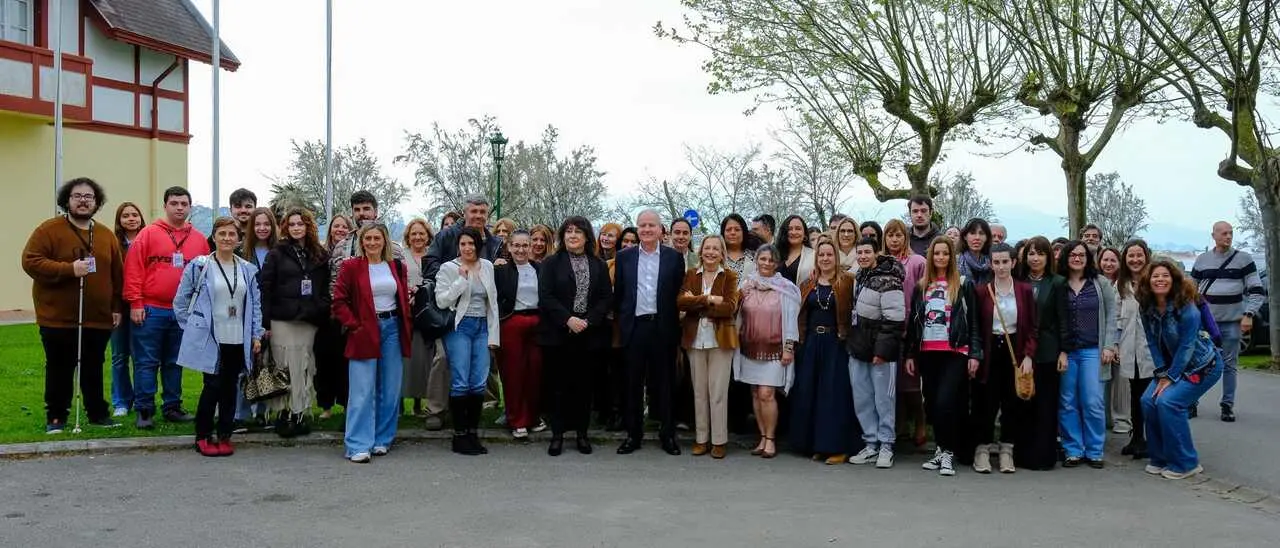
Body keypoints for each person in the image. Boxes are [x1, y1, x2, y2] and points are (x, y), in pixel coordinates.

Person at [22, 178, 125, 433]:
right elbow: (31, 261)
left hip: (97, 317)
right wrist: (69, 269)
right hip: (58, 317)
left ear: (96, 202)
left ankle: (97, 413)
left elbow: (116, 274)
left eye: (88, 197)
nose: (83, 200)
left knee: (93, 366)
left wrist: (115, 307)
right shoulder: (49, 230)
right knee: (59, 367)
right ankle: (56, 416)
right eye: (77, 196)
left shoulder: (105, 235)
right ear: (67, 200)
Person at [173, 217, 264, 456]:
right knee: (212, 386)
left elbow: (255, 306)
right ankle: (203, 434)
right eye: (221, 233)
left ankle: (225, 434)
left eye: (231, 234)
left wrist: (256, 335)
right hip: (212, 337)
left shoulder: (247, 269)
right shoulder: (200, 266)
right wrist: (192, 328)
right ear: (213, 237)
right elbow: (180, 300)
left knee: (230, 387)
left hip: (237, 337)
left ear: (238, 239)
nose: (226, 238)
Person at [123, 186, 207, 428]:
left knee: (174, 361)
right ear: (165, 206)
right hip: (151, 309)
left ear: (190, 207)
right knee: (146, 362)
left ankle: (172, 406)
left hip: (182, 313)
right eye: (174, 203)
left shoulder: (199, 240)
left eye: (184, 203)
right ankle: (144, 410)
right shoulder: (148, 234)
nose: (179, 207)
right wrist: (136, 303)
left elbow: (204, 278)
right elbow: (134, 270)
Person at [331, 223, 413, 463]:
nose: (372, 242)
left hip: (392, 329)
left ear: (385, 241)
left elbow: (402, 299)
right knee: (362, 390)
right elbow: (339, 301)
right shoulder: (351, 266)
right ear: (361, 241)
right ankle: (357, 444)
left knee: (390, 389)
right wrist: (354, 324)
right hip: (364, 330)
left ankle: (382, 439)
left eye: (377, 238)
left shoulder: (396, 266)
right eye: (368, 238)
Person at [904, 236, 982, 477]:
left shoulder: (963, 284)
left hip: (955, 352)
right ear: (931, 256)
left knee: (946, 402)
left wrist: (975, 354)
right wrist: (910, 353)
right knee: (933, 402)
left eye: (945, 253)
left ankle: (948, 452)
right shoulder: (921, 286)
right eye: (936, 253)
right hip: (928, 352)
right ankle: (940, 450)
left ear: (951, 257)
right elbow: (914, 323)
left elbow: (974, 323)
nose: (940, 257)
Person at [1140, 259, 1224, 480]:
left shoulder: (1186, 307)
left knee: (1169, 402)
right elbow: (1151, 341)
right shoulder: (1146, 306)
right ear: (1148, 280)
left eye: (1165, 276)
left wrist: (1171, 377)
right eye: (1155, 276)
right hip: (1171, 367)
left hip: (1203, 365)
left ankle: (1187, 463)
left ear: (1174, 279)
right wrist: (1161, 374)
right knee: (1148, 401)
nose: (1160, 279)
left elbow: (1187, 346)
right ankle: (1160, 458)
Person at [614, 210, 687, 456]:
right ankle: (633, 435)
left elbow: (678, 293)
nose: (646, 229)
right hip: (634, 328)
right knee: (632, 384)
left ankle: (668, 435)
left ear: (660, 229)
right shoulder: (624, 257)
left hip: (662, 327)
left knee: (664, 383)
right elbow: (620, 294)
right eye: (642, 225)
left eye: (651, 225)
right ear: (637, 228)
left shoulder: (673, 258)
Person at [539, 218, 613, 456]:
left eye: (578, 232)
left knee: (584, 387)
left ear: (586, 237)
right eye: (568, 231)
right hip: (559, 333)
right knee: (558, 386)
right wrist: (568, 319)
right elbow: (546, 296)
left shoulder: (598, 264)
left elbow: (605, 298)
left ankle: (582, 434)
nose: (572, 235)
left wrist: (588, 321)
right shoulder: (551, 263)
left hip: (588, 334)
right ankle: (558, 435)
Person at [259, 208, 331, 437]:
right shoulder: (277, 254)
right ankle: (283, 414)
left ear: (308, 226)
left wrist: (320, 308)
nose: (296, 227)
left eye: (300, 223)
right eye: (292, 224)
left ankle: (300, 413)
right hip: (282, 319)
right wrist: (265, 322)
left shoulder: (319, 254)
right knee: (284, 366)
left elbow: (326, 286)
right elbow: (265, 288)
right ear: (285, 228)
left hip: (308, 320)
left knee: (303, 366)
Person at [970, 243, 1038, 474]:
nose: (1000, 267)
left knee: (1012, 402)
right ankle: (982, 451)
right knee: (985, 402)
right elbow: (976, 327)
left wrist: (1029, 355)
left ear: (1013, 263)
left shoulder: (1024, 290)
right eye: (996, 262)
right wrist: (975, 355)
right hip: (990, 349)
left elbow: (1032, 327)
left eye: (1005, 262)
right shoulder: (981, 291)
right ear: (990, 264)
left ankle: (1007, 450)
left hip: (1015, 350)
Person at [435, 227, 501, 455]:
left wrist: (494, 336)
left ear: (478, 245)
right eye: (463, 244)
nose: (467, 248)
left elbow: (492, 303)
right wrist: (461, 281)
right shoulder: (449, 268)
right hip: (459, 327)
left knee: (479, 382)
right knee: (461, 381)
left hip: (482, 326)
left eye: (471, 244)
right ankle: (459, 435)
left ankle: (472, 432)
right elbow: (442, 301)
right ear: (458, 246)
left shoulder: (488, 267)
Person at [790, 240, 857, 464]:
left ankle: (837, 447)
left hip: (835, 344)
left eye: (829, 255)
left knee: (834, 396)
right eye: (821, 255)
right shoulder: (809, 283)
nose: (825, 259)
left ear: (836, 258)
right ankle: (816, 444)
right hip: (811, 343)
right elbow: (800, 315)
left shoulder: (847, 281)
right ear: (816, 258)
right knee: (812, 394)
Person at [1190, 221, 1264, 422]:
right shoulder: (1202, 260)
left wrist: (1248, 314)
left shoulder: (1244, 259)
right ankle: (1191, 401)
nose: (1228, 237)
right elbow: (1190, 291)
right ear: (1213, 235)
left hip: (1232, 322)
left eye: (1231, 233)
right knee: (1198, 363)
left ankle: (1227, 405)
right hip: (1205, 323)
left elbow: (1257, 290)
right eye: (1223, 233)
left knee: (1229, 365)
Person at [1057, 240, 1119, 469]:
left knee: (1093, 400)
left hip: (1093, 349)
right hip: (1067, 352)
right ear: (1066, 257)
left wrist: (1109, 345)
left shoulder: (1100, 283)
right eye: (1073, 254)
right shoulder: (1059, 284)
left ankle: (1094, 450)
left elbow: (1112, 314)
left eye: (1081, 254)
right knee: (1067, 401)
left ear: (1088, 258)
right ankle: (1073, 449)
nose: (1077, 258)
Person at [734, 245, 800, 459]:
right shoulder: (747, 286)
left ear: (777, 263)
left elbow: (791, 321)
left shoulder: (786, 288)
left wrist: (788, 348)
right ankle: (761, 437)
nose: (766, 263)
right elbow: (736, 314)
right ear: (757, 261)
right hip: (749, 348)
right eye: (762, 259)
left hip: (775, 350)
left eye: (771, 260)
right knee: (755, 393)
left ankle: (771, 439)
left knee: (767, 394)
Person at [677, 235, 740, 459]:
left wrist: (697, 301)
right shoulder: (690, 274)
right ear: (701, 252)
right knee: (699, 392)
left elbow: (729, 307)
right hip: (695, 340)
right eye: (707, 248)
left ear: (722, 253)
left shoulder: (730, 276)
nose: (711, 252)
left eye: (716, 248)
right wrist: (709, 299)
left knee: (718, 393)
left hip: (720, 340)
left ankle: (719, 440)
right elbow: (681, 302)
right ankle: (701, 439)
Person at [846, 237, 906, 469]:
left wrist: (882, 351)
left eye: (867, 252)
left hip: (881, 352)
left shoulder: (890, 279)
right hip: (859, 347)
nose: (862, 256)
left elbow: (894, 319)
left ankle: (886, 445)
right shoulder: (859, 276)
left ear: (876, 253)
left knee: (884, 399)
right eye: (859, 252)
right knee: (862, 398)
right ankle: (870, 443)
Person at [1012, 236, 1067, 470]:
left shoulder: (1057, 283)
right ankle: (1022, 454)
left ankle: (1043, 456)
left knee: (1046, 403)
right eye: (1031, 253)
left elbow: (1063, 320)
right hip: (1020, 348)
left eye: (1040, 253)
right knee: (1024, 402)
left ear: (1048, 257)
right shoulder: (1018, 280)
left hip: (1047, 349)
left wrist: (1064, 351)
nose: (1035, 258)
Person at [883, 219, 928, 447]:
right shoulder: (880, 263)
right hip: (886, 328)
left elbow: (923, 295)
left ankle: (920, 422)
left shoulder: (917, 261)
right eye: (890, 235)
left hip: (911, 327)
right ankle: (899, 425)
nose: (894, 239)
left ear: (906, 237)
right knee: (892, 384)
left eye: (898, 235)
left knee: (911, 383)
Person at [495, 230, 543, 440]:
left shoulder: (540, 269)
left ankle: (533, 417)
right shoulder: (501, 270)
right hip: (512, 322)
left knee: (535, 371)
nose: (521, 250)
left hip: (537, 323)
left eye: (525, 245)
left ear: (531, 246)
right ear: (509, 247)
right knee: (513, 373)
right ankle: (517, 420)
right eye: (516, 245)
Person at [1117, 239, 1155, 458]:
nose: (1135, 259)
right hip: (1129, 348)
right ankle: (1136, 437)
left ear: (1146, 256)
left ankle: (1151, 438)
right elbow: (1115, 317)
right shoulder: (1121, 285)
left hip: (1150, 350)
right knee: (1134, 394)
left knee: (1148, 396)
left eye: (1139, 255)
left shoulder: (1154, 281)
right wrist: (1114, 345)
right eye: (1130, 255)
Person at [315, 214, 354, 420]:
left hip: (345, 313)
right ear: (330, 229)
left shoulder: (352, 250)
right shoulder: (321, 252)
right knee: (324, 362)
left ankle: (347, 403)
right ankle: (326, 406)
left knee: (344, 362)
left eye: (344, 226)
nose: (340, 229)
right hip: (325, 314)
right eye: (336, 226)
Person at [109, 201, 144, 417]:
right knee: (119, 356)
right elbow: (111, 279)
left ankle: (142, 400)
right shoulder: (114, 244)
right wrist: (114, 308)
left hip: (142, 306)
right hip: (119, 308)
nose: (131, 219)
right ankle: (121, 401)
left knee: (141, 358)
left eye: (134, 215)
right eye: (125, 216)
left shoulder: (148, 240)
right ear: (119, 221)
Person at [401, 219, 435, 418]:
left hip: (428, 312)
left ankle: (425, 400)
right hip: (408, 311)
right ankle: (408, 401)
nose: (417, 237)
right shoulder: (402, 257)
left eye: (421, 233)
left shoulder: (433, 256)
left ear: (428, 235)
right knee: (410, 358)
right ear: (408, 236)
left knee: (426, 359)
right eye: (414, 233)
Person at [1096, 246, 1129, 434]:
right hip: (1102, 338)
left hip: (1122, 337)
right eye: (1105, 260)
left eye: (1113, 260)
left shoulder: (1122, 284)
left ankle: (1122, 419)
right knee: (1103, 380)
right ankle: (1106, 417)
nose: (1108, 264)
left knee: (1120, 381)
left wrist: (1116, 342)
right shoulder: (1094, 281)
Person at [721, 214, 761, 285]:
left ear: (744, 232)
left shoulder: (755, 256)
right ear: (723, 233)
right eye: (728, 230)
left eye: (737, 230)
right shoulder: (717, 257)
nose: (733, 233)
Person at [776, 215, 815, 285]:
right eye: (790, 229)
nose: (793, 232)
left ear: (805, 234)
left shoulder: (814, 256)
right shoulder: (774, 254)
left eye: (798, 229)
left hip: (802, 295)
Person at [958, 217, 994, 285]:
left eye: (981, 233)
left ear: (987, 237)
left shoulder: (993, 263)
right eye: (972, 233)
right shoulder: (955, 262)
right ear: (965, 236)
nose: (977, 237)